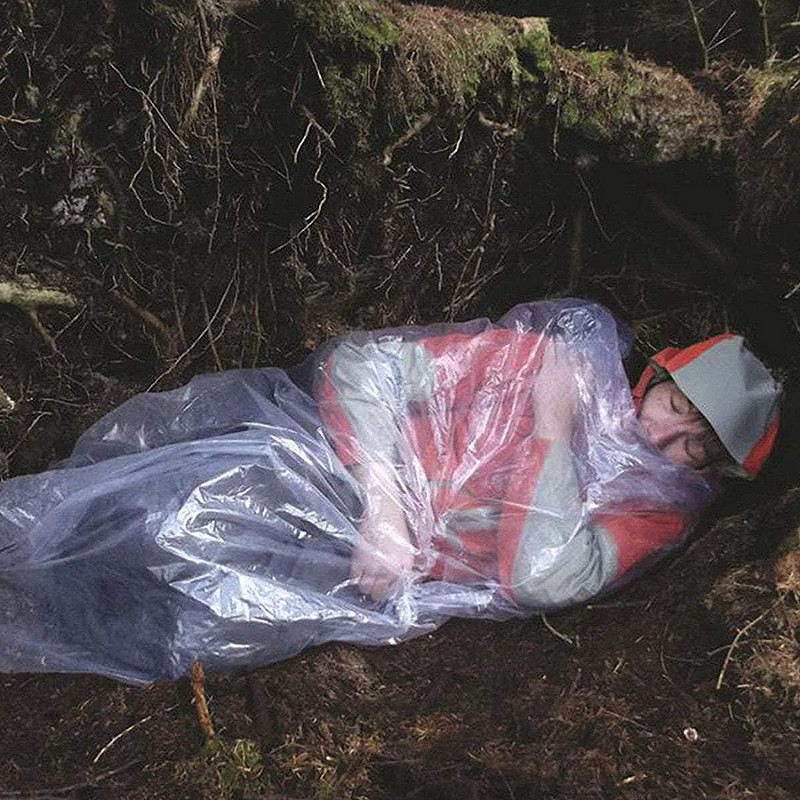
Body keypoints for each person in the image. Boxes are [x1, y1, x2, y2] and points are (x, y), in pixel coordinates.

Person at [0, 299, 782, 684]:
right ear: (658, 374)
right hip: (326, 474)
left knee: (181, 626)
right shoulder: (548, 365)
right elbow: (361, 368)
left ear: (713, 474)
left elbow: (542, 577)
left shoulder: (652, 513)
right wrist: (385, 506)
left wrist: (551, 434)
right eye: (674, 407)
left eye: (695, 447)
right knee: (149, 512)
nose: (664, 440)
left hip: (362, 578)